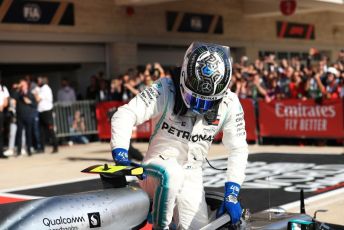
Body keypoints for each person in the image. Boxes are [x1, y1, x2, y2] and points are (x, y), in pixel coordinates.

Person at [111, 42, 248, 229]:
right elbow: (125, 114)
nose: (199, 107)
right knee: (171, 173)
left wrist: (231, 193)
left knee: (199, 227)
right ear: (184, 77)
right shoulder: (165, 88)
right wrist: (120, 154)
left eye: (207, 102)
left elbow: (238, 148)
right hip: (155, 168)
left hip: (192, 172)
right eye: (195, 98)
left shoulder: (230, 103)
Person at [12, 79, 37, 156]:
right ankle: (19, 151)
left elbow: (35, 104)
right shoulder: (18, 93)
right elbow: (13, 97)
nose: (22, 86)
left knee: (28, 133)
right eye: (21, 84)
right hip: (20, 116)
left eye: (23, 85)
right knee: (19, 134)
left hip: (28, 116)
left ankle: (29, 150)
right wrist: (18, 88)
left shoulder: (30, 93)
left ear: (26, 85)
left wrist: (29, 102)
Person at [36, 76, 58, 153]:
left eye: (39, 81)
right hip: (42, 111)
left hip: (47, 112)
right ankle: (42, 148)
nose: (38, 82)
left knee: (50, 129)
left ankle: (55, 147)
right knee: (42, 131)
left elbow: (37, 99)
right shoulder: (42, 89)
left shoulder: (45, 88)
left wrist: (35, 93)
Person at [0, 75, 9, 159]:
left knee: (1, 133)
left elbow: (6, 101)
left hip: (0, 113)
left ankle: (1, 153)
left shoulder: (3, 88)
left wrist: (2, 106)